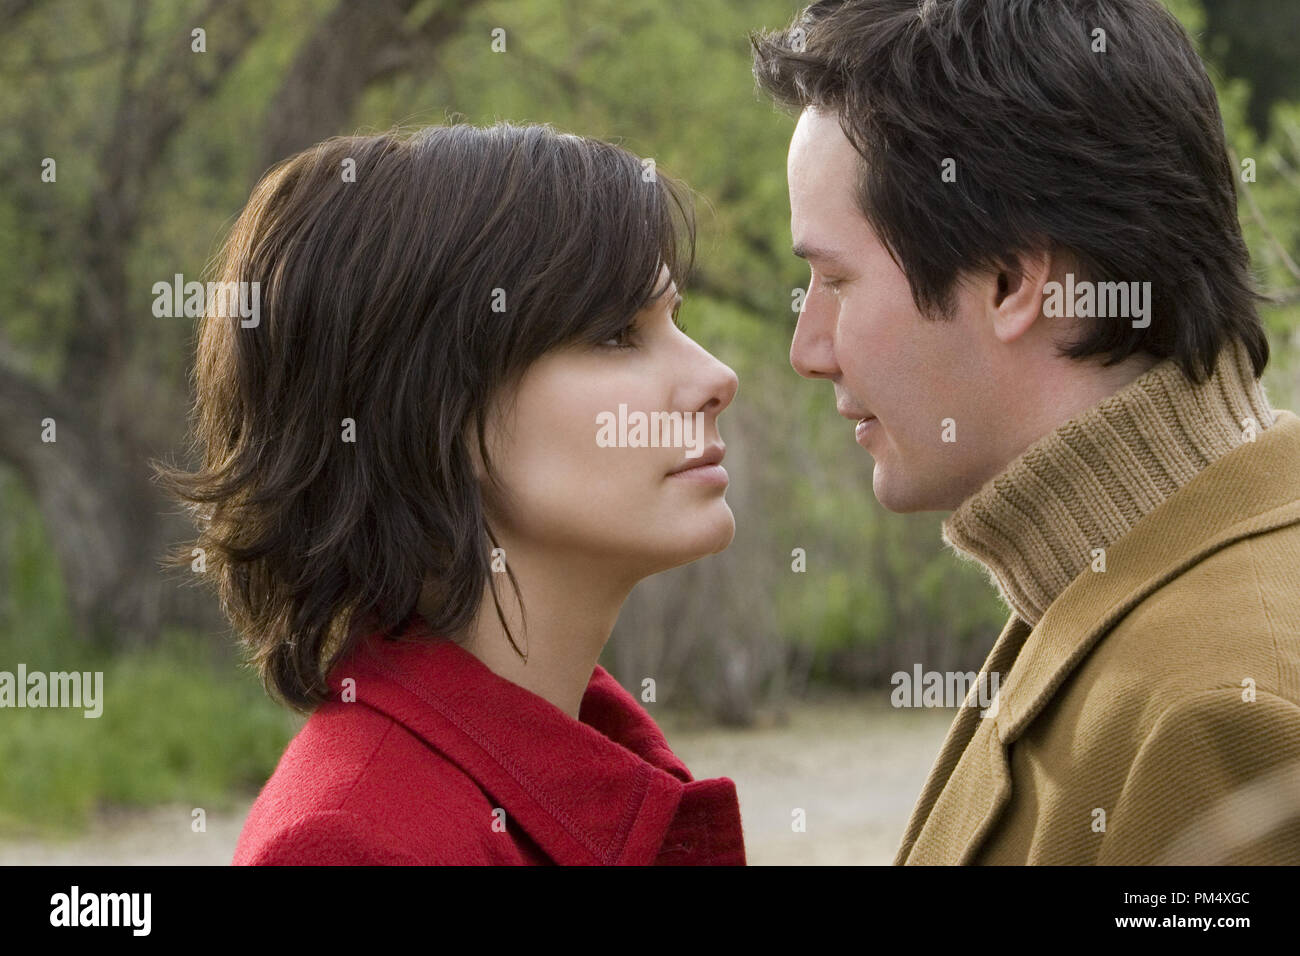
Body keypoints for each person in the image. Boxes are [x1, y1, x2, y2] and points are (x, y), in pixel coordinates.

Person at [753, 0, 1300, 864]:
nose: (807, 349)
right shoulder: (1107, 583)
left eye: (834, 280)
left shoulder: (1220, 709)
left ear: (1013, 281)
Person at [155, 122, 745, 865]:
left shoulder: (584, 767)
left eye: (675, 321)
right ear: (434, 406)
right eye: (616, 334)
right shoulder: (354, 845)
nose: (717, 377)